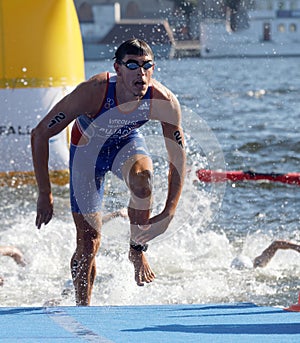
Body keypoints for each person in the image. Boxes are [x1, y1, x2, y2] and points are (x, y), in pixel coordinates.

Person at [31, 38, 186, 306]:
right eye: (132, 65)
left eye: (147, 65)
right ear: (118, 68)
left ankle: (137, 249)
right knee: (88, 242)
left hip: (125, 143)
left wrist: (170, 212)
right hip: (86, 152)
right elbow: (40, 133)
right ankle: (83, 307)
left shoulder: (164, 101)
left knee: (144, 179)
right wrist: (45, 193)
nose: (141, 72)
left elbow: (178, 158)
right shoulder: (94, 91)